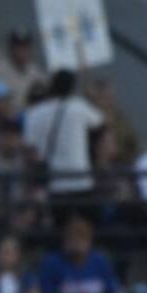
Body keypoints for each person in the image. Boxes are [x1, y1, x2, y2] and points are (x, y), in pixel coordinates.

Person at [23, 70, 105, 202]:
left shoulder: (34, 113)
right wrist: (92, 97)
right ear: (72, 88)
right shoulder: (78, 107)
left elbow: (29, 147)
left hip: (52, 180)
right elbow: (100, 122)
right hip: (79, 179)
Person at [37, 216, 120, 293]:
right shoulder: (53, 263)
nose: (75, 243)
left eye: (80, 238)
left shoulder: (100, 261)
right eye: (70, 238)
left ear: (89, 241)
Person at [0, 30, 45, 109]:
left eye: (25, 46)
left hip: (32, 114)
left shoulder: (35, 72)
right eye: (18, 46)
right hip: (7, 115)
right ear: (11, 48)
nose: (22, 51)